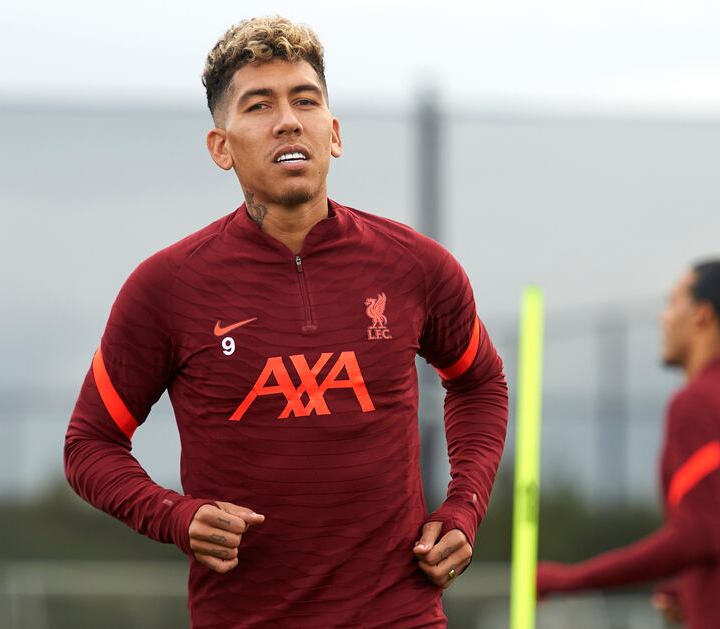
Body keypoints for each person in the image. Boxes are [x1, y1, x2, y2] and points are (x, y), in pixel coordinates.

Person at [64, 15, 508, 628]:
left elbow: (479, 382)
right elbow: (89, 446)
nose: (288, 119)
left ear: (335, 132)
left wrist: (464, 507)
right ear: (222, 147)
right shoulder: (167, 286)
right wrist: (176, 516)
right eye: (259, 105)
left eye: (306, 99)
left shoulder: (416, 266)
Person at [537, 260, 720, 629]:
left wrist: (571, 580)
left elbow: (702, 532)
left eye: (672, 303)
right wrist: (690, 583)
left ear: (701, 315)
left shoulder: (699, 401)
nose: (663, 318)